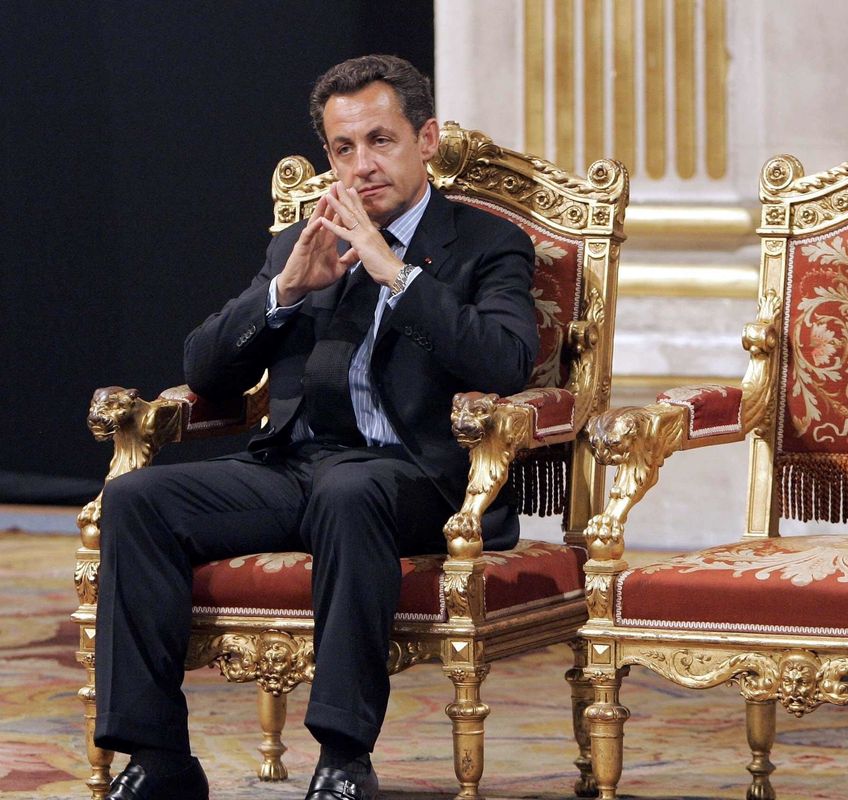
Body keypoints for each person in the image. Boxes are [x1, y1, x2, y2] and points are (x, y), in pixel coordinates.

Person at [95, 54, 538, 800]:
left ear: (425, 139)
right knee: (137, 501)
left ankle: (342, 758)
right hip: (298, 470)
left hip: (416, 481)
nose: (361, 166)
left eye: (380, 140)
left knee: (350, 491)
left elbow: (505, 360)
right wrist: (283, 290)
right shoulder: (306, 241)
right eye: (343, 149)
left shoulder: (487, 244)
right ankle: (159, 756)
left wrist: (396, 274)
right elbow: (207, 373)